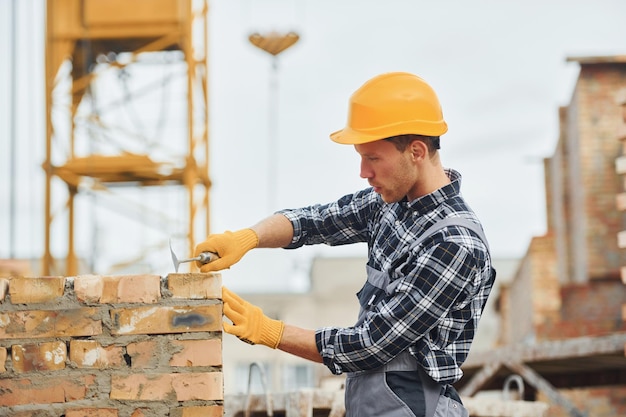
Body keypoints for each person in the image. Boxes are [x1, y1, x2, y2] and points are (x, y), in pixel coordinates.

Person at [195, 71, 496, 417]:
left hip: (417, 406)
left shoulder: (454, 245)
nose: (363, 172)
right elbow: (315, 221)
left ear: (416, 151)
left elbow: (371, 344)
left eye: (373, 158)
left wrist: (269, 331)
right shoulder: (389, 205)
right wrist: (248, 238)